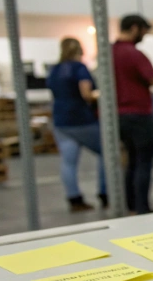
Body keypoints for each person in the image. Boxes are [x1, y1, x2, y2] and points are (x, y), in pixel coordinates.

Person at [113, 15, 153, 214]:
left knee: (132, 161)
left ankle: (131, 206)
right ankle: (142, 207)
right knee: (144, 162)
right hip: (139, 115)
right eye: (144, 32)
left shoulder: (109, 53)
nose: (144, 36)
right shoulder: (134, 54)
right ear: (135, 28)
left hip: (118, 117)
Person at [46, 38, 107, 212]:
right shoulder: (79, 68)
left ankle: (74, 199)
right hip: (81, 120)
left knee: (68, 162)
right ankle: (106, 193)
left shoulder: (54, 70)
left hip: (61, 121)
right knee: (107, 152)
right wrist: (102, 95)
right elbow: (86, 93)